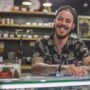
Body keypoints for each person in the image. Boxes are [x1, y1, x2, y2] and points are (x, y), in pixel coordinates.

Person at [31, 5, 90, 77]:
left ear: (73, 26)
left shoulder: (79, 45)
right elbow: (35, 67)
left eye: (68, 21)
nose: (63, 23)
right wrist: (60, 68)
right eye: (60, 19)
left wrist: (85, 69)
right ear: (54, 21)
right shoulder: (41, 43)